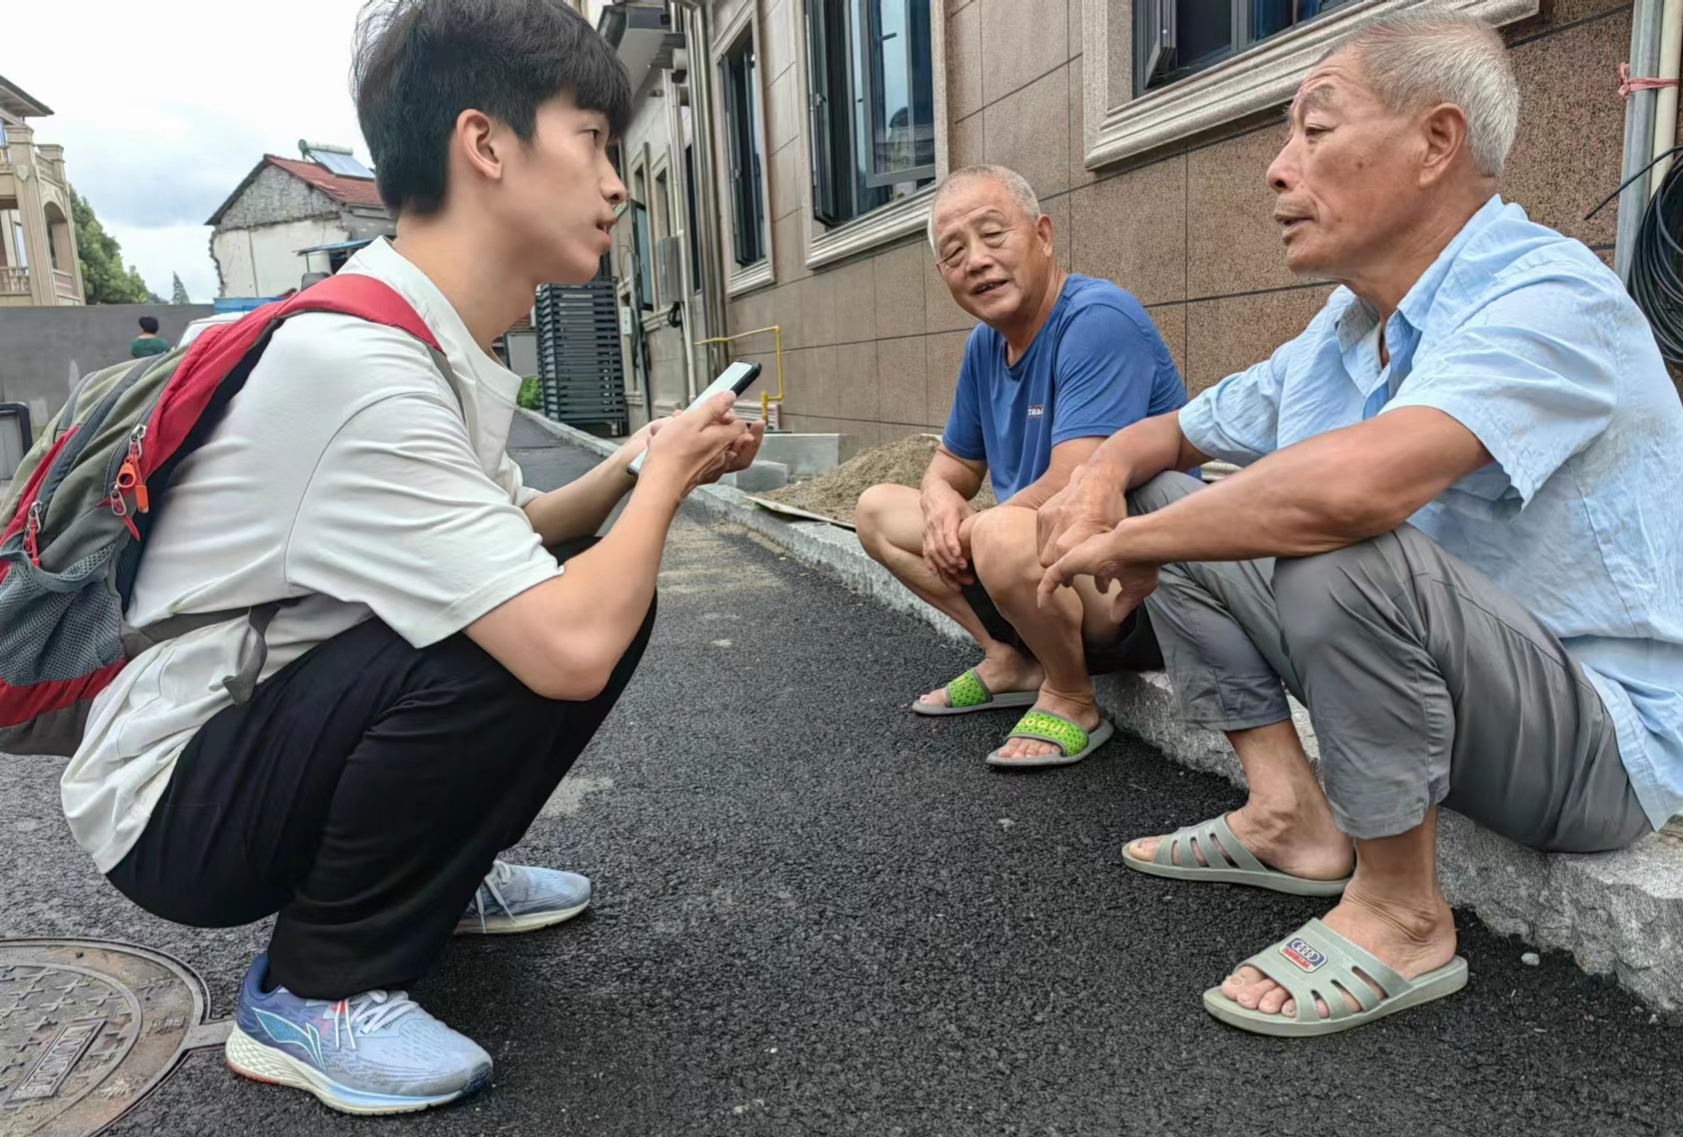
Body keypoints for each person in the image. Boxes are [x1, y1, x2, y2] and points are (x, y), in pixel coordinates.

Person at [61, 0, 763, 1114]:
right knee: (551, 628)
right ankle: (314, 989)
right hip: (176, 804)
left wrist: (640, 466)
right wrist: (667, 482)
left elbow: (521, 529)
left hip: (250, 740)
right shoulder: (361, 374)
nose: (616, 185)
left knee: (584, 584)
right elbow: (566, 645)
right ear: (485, 144)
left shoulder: (412, 336)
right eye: (591, 140)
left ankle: (435, 879)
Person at [1036, 11, 1683, 1037]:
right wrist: (1100, 481)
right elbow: (1170, 434)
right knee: (1173, 498)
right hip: (1457, 701)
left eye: (1314, 129)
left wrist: (1122, 545)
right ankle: (1286, 816)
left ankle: (1400, 912)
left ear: (1435, 142)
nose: (1276, 168)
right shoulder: (1343, 330)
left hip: (1598, 753)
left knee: (1326, 541)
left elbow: (1354, 496)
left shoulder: (1549, 295)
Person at [855, 165, 1187, 768]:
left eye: (993, 234)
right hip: (1045, 568)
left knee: (999, 532)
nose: (977, 261)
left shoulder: (1098, 320)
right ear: (943, 275)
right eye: (955, 251)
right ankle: (1011, 660)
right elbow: (951, 464)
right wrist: (939, 502)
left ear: (1043, 235)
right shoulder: (984, 345)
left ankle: (1072, 696)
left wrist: (979, 531)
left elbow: (1073, 487)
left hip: (1134, 588)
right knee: (878, 510)